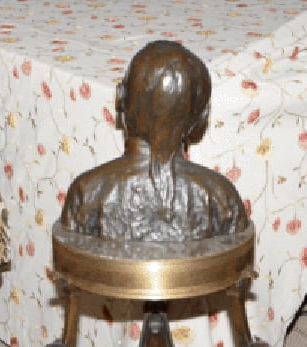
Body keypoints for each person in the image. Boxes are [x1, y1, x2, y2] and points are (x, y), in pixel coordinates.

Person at [58, 40, 249, 243]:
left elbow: (70, 271)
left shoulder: (87, 192)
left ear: (120, 99)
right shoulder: (222, 198)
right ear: (200, 119)